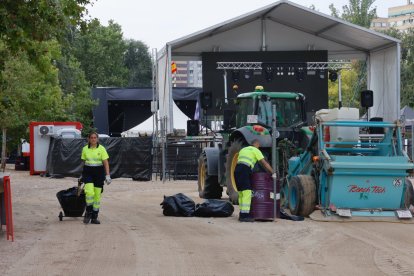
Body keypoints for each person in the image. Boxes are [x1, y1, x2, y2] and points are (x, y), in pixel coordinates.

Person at [234, 139, 274, 222]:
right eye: (259, 145)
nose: (259, 147)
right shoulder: (256, 150)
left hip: (237, 170)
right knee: (247, 192)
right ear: (257, 144)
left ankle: (242, 214)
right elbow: (264, 163)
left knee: (241, 192)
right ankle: (245, 216)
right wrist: (273, 172)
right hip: (245, 170)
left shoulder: (243, 149)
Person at [81, 132, 111, 224]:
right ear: (89, 139)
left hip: (99, 174)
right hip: (88, 173)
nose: (93, 139)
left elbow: (105, 162)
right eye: (92, 138)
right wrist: (81, 174)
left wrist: (107, 175)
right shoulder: (85, 149)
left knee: (97, 196)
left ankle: (94, 217)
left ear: (97, 139)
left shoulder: (102, 149)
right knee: (89, 192)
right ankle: (88, 213)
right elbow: (83, 162)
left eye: (95, 138)